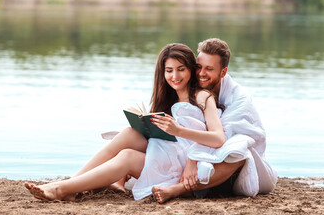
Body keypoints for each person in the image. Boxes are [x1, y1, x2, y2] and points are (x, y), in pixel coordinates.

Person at [24, 43, 227, 201]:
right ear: (162, 72)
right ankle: (71, 185)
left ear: (191, 69)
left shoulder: (202, 96)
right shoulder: (169, 100)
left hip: (181, 164)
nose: (174, 76)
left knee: (127, 157)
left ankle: (62, 189)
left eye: (181, 69)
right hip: (165, 153)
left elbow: (218, 138)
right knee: (130, 133)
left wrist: (178, 130)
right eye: (169, 70)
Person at [151, 38, 278, 203]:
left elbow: (222, 137)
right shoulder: (191, 91)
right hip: (202, 151)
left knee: (239, 150)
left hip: (229, 166)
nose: (201, 74)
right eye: (199, 67)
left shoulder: (239, 98)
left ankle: (179, 189)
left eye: (209, 69)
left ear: (223, 72)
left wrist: (192, 159)